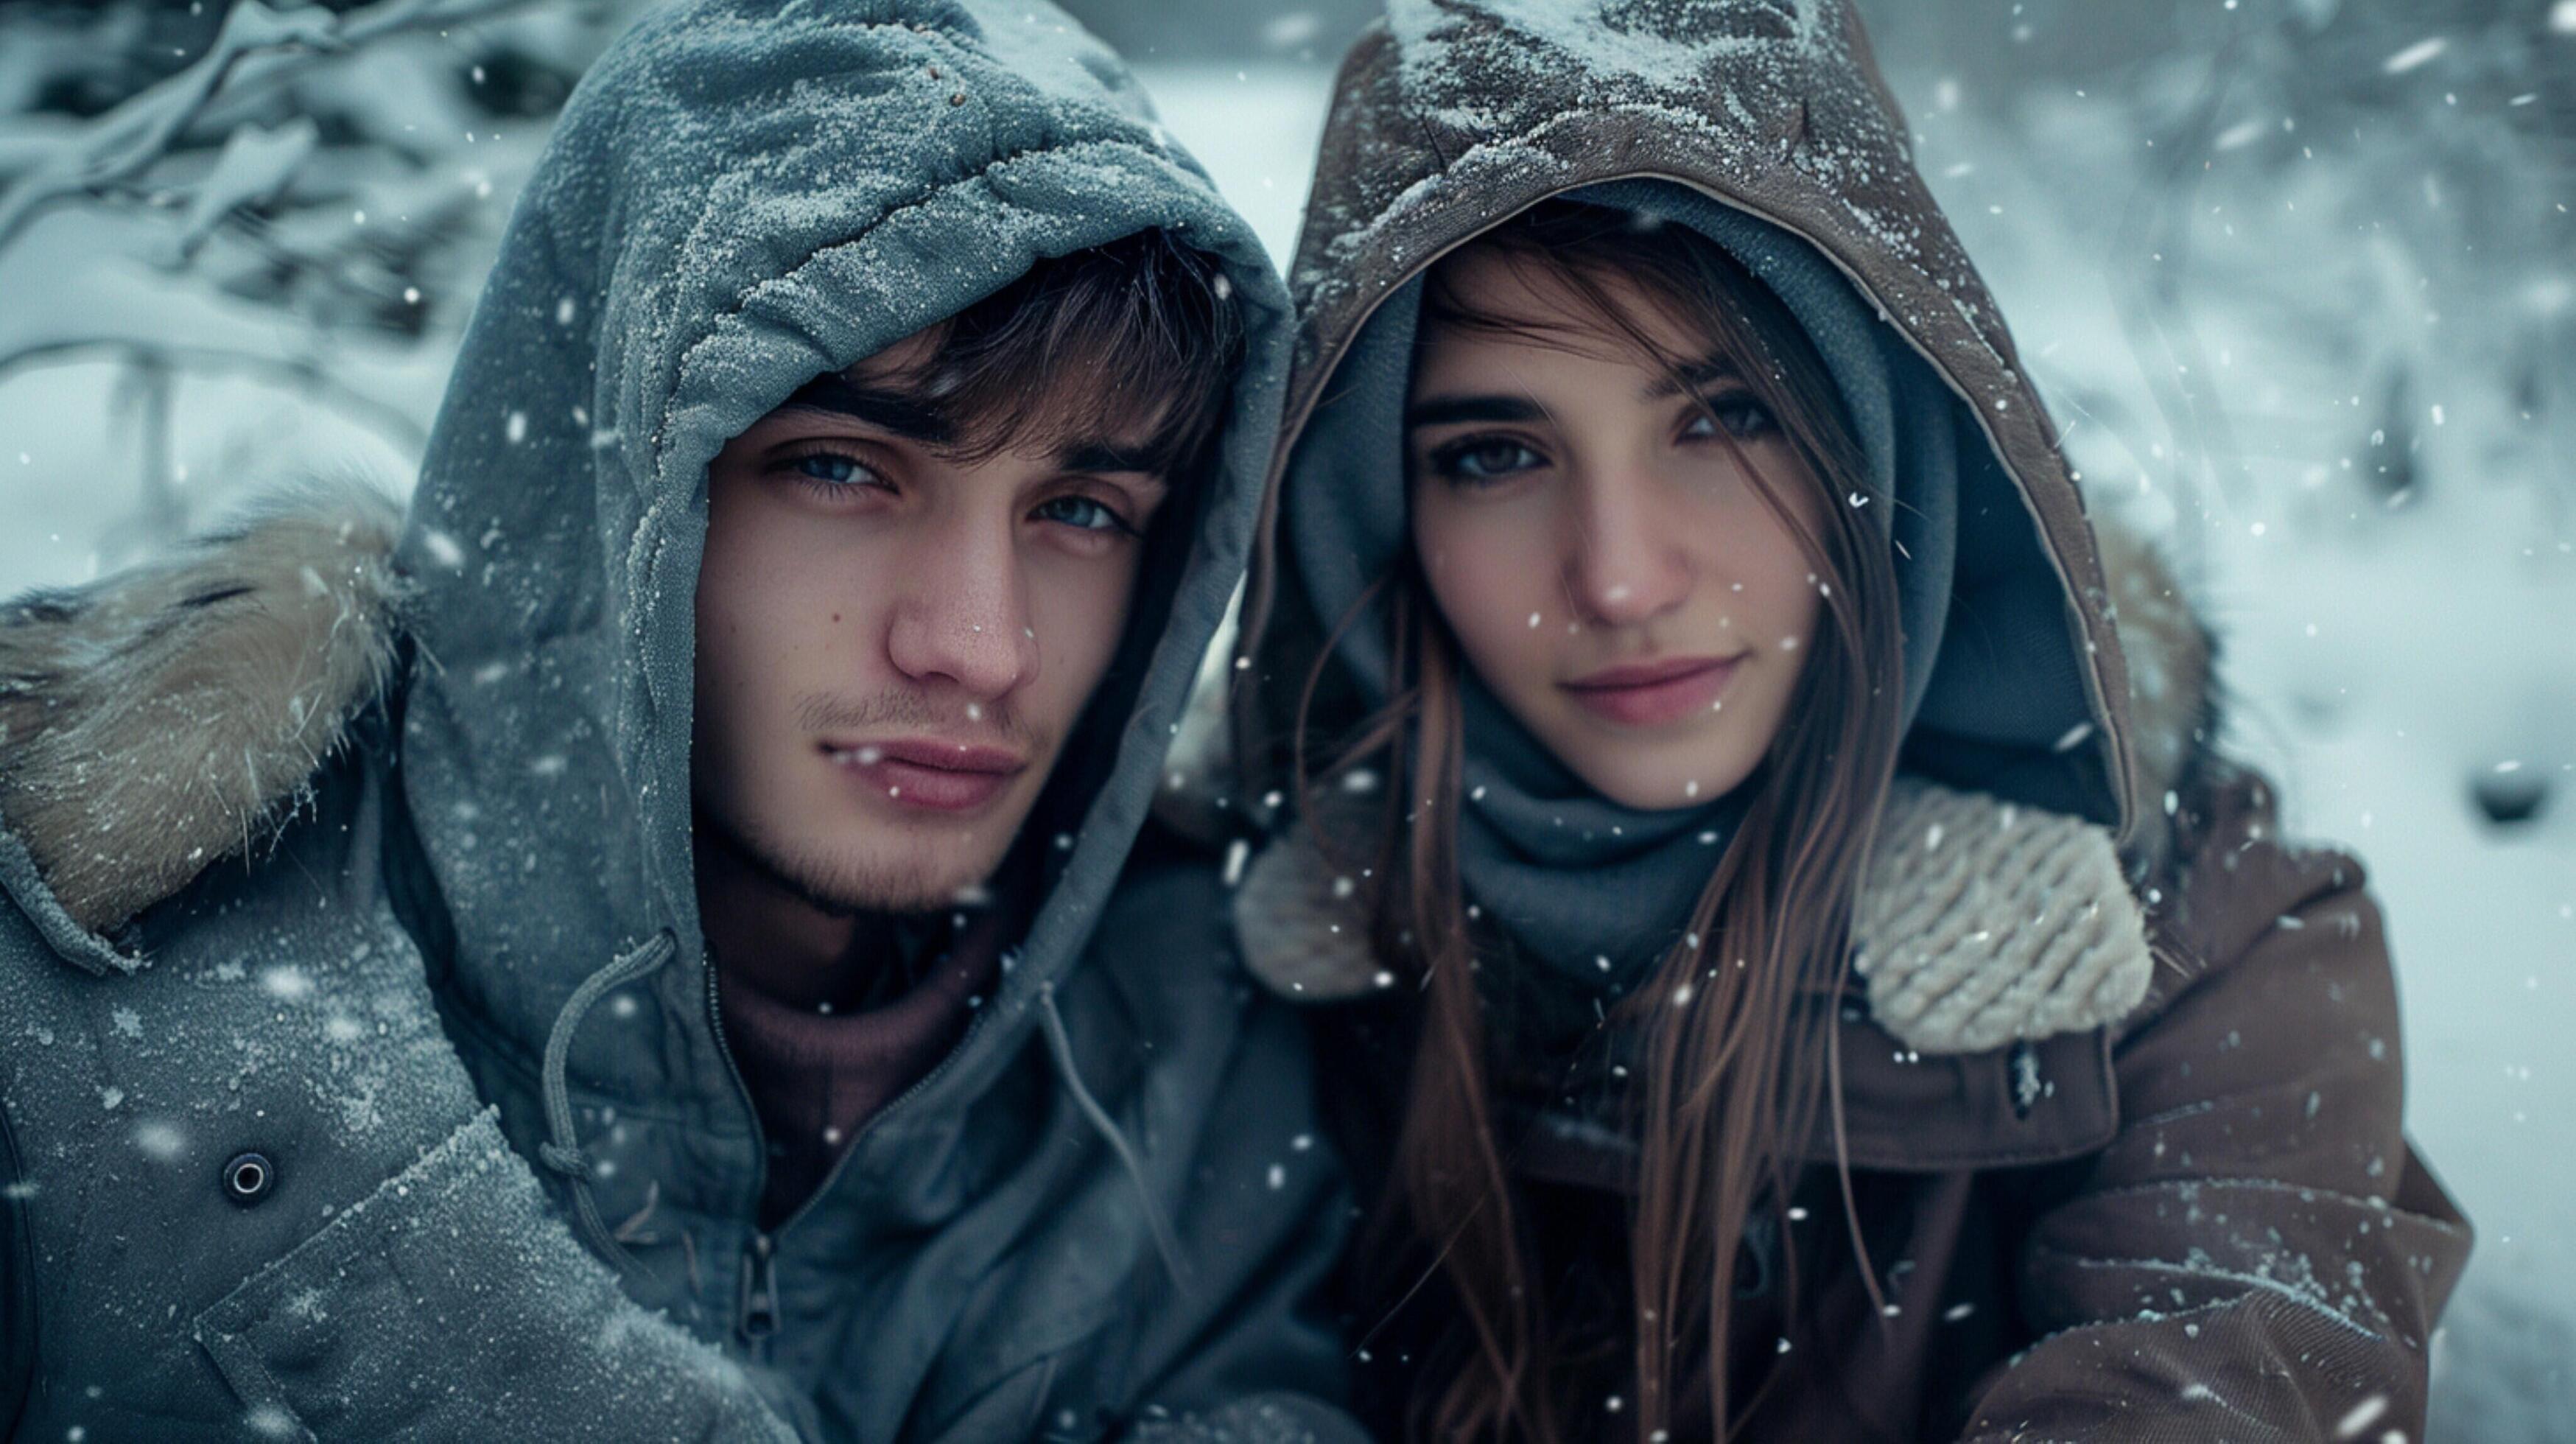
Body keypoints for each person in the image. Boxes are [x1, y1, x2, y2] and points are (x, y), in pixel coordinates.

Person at [0, 1, 1362, 1438]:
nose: (978, 644)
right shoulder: (96, 1008)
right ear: (612, 483)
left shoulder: (1202, 1064)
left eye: (1081, 511)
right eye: (844, 470)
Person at [1216, 0, 2474, 1438]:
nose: (1621, 575)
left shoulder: (2199, 946)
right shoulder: (1245, 935)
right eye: (1495, 453)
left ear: (1881, 436)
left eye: (1726, 417)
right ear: (1368, 516)